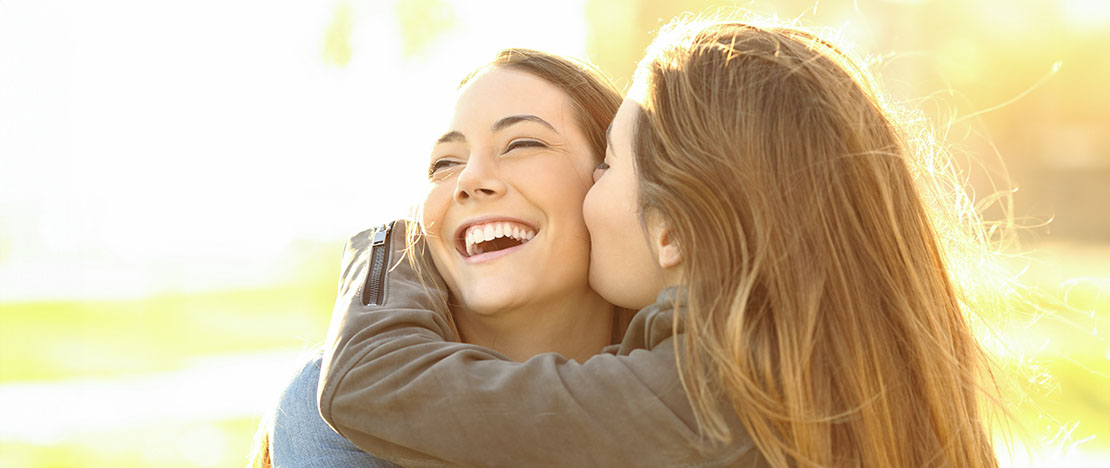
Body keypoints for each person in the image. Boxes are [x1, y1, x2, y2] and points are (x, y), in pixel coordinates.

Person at [317, 18, 1002, 468]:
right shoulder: (831, 370)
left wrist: (390, 243)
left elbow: (369, 382)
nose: (470, 181)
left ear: (671, 229)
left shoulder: (710, 394)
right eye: (442, 164)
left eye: (609, 165)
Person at [249, 48, 629, 467]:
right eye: (445, 163)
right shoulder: (328, 411)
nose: (468, 180)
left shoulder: (693, 388)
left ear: (614, 179)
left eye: (521, 143)